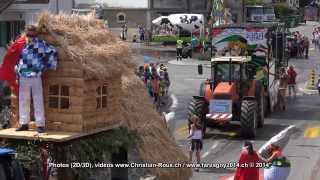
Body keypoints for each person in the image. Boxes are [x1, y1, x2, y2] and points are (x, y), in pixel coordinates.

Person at [15, 25, 58, 133]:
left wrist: (45, 66)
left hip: (35, 75)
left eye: (32, 33)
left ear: (35, 33)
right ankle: (24, 123)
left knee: (38, 99)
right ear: (26, 32)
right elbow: (15, 57)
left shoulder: (40, 44)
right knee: (23, 100)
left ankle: (40, 125)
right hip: (23, 75)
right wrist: (17, 69)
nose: (30, 35)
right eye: (29, 33)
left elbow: (52, 51)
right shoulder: (21, 43)